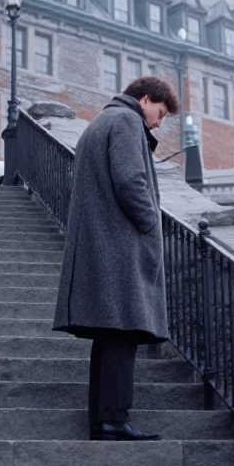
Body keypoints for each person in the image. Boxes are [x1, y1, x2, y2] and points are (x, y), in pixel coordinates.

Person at [53, 76, 180, 441]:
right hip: (118, 249)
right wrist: (151, 224)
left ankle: (106, 419)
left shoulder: (100, 123)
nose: (158, 123)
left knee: (111, 337)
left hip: (102, 247)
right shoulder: (125, 122)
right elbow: (130, 181)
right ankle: (113, 419)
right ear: (144, 99)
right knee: (122, 334)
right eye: (159, 114)